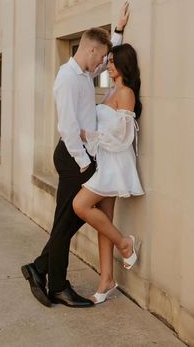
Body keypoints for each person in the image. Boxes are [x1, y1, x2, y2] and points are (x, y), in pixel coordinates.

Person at [21, 3, 130, 308]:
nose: (103, 64)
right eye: (101, 57)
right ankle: (53, 281)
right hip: (73, 158)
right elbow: (68, 129)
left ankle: (44, 272)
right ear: (89, 50)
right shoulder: (67, 79)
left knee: (68, 222)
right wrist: (85, 165)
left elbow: (111, 58)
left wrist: (118, 31)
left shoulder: (85, 72)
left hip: (82, 157)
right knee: (68, 221)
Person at [73, 43, 144, 304]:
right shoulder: (113, 89)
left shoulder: (126, 93)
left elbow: (123, 135)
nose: (108, 64)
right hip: (104, 160)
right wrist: (119, 31)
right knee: (104, 220)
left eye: (113, 61)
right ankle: (107, 281)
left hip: (115, 164)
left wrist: (86, 135)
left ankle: (125, 244)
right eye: (108, 59)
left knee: (80, 205)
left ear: (124, 64)